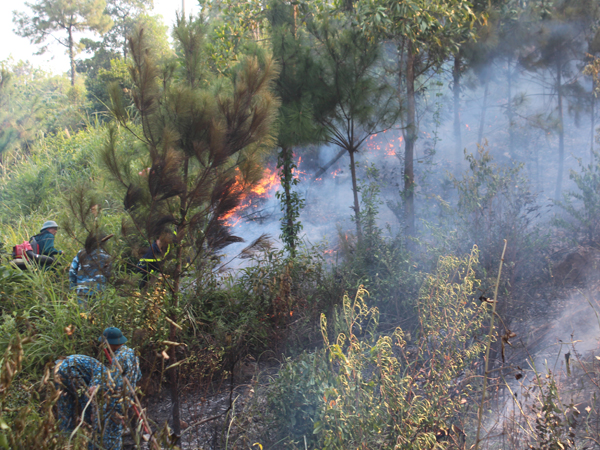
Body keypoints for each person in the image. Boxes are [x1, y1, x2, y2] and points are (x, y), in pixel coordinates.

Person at [95, 327, 142, 450]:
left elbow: (112, 382)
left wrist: (97, 387)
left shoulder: (118, 358)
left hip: (117, 400)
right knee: (115, 429)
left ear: (110, 343)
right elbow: (139, 376)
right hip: (129, 397)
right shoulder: (132, 353)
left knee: (111, 435)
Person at [54, 354, 106, 434]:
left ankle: (65, 436)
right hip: (69, 369)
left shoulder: (99, 369)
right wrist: (92, 414)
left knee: (64, 405)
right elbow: (89, 394)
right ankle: (93, 432)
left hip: (58, 369)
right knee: (84, 398)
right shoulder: (104, 375)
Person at [69, 233, 112, 303]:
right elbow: (107, 273)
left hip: (82, 291)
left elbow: (72, 271)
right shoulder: (106, 256)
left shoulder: (81, 253)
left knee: (82, 313)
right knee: (97, 313)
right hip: (99, 291)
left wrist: (73, 287)